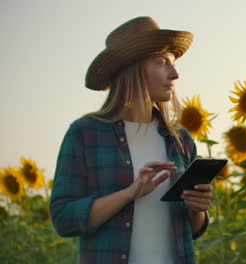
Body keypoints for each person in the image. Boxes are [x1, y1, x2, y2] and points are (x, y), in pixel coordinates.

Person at [50, 16, 212, 264]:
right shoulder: (85, 133)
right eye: (162, 62)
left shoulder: (180, 139)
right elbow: (64, 219)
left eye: (173, 64)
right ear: (133, 68)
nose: (175, 73)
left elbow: (193, 230)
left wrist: (197, 208)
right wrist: (129, 193)